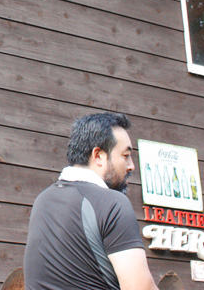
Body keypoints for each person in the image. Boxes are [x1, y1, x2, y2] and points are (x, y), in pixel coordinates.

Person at [22, 112, 159, 290]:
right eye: (126, 155)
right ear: (99, 155)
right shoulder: (112, 203)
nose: (131, 165)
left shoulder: (42, 200)